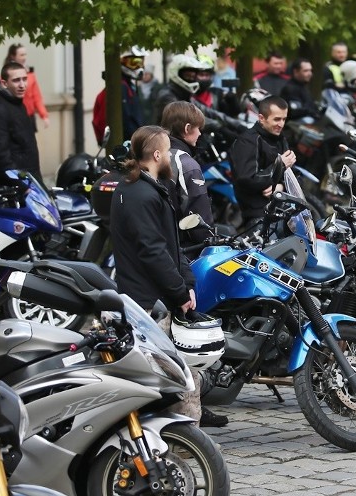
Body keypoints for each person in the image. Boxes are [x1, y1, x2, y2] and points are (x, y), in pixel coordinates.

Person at [109, 125, 227, 427]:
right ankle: (182, 441)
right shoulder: (138, 194)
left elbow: (170, 245)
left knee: (184, 377)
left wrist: (185, 282)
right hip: (148, 303)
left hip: (154, 298)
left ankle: (179, 438)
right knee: (181, 378)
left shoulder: (146, 188)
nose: (173, 159)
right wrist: (178, 291)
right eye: (169, 153)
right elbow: (153, 252)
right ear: (157, 154)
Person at [229, 95, 296, 227]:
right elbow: (246, 179)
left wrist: (281, 187)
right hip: (258, 217)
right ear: (261, 118)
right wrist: (280, 165)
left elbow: (294, 175)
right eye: (276, 119)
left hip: (283, 211)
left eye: (284, 119)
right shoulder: (247, 141)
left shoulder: (280, 138)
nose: (281, 124)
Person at [159, 101, 214, 250]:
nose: (200, 133)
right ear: (187, 129)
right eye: (198, 128)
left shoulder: (156, 155)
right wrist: (211, 242)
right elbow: (198, 215)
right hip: (183, 250)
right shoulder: (187, 165)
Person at [0, 62, 41, 184]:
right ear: (5, 83)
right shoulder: (1, 109)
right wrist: (21, 186)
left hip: (30, 179)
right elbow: (1, 156)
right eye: (16, 80)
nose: (22, 85)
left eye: (24, 79)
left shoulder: (18, 104)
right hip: (17, 187)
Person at [92, 46, 147, 143]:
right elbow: (126, 121)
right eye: (133, 63)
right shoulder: (121, 87)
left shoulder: (128, 85)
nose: (139, 67)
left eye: (140, 63)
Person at [3, 44, 48, 130]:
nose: (24, 57)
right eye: (21, 55)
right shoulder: (6, 75)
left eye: (25, 54)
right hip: (13, 117)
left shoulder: (30, 74)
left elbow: (36, 96)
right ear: (13, 56)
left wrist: (44, 115)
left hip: (29, 116)